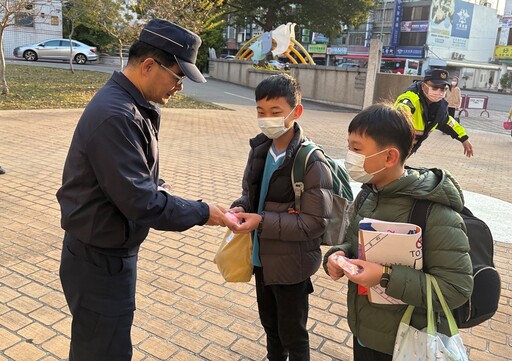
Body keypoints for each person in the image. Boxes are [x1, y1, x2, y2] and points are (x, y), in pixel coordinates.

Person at [56, 19, 237, 361]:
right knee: (103, 352)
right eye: (177, 76)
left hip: (106, 256)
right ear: (149, 65)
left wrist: (156, 184)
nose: (179, 87)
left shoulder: (132, 107)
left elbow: (129, 181)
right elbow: (142, 203)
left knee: (101, 346)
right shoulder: (117, 115)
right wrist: (205, 212)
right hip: (99, 264)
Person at [322, 103, 473, 360]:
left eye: (356, 149)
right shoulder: (368, 195)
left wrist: (385, 276)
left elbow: (456, 288)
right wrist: (337, 257)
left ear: (389, 157)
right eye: (349, 147)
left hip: (409, 342)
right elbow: (352, 243)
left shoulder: (434, 211)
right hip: (364, 332)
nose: (349, 156)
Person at [229, 73, 334, 360]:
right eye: (260, 112)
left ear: (295, 111)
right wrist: (240, 207)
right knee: (271, 330)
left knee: (293, 336)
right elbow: (254, 197)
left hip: (291, 266)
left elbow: (315, 222)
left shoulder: (311, 160)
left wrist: (261, 221)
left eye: (275, 112)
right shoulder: (261, 148)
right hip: (262, 259)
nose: (266, 119)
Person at [394, 68, 474, 157]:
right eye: (435, 87)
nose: (439, 92)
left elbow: (449, 122)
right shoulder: (411, 99)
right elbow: (401, 110)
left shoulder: (438, 108)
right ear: (424, 86)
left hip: (403, 154)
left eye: (443, 89)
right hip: (390, 152)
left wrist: (464, 138)